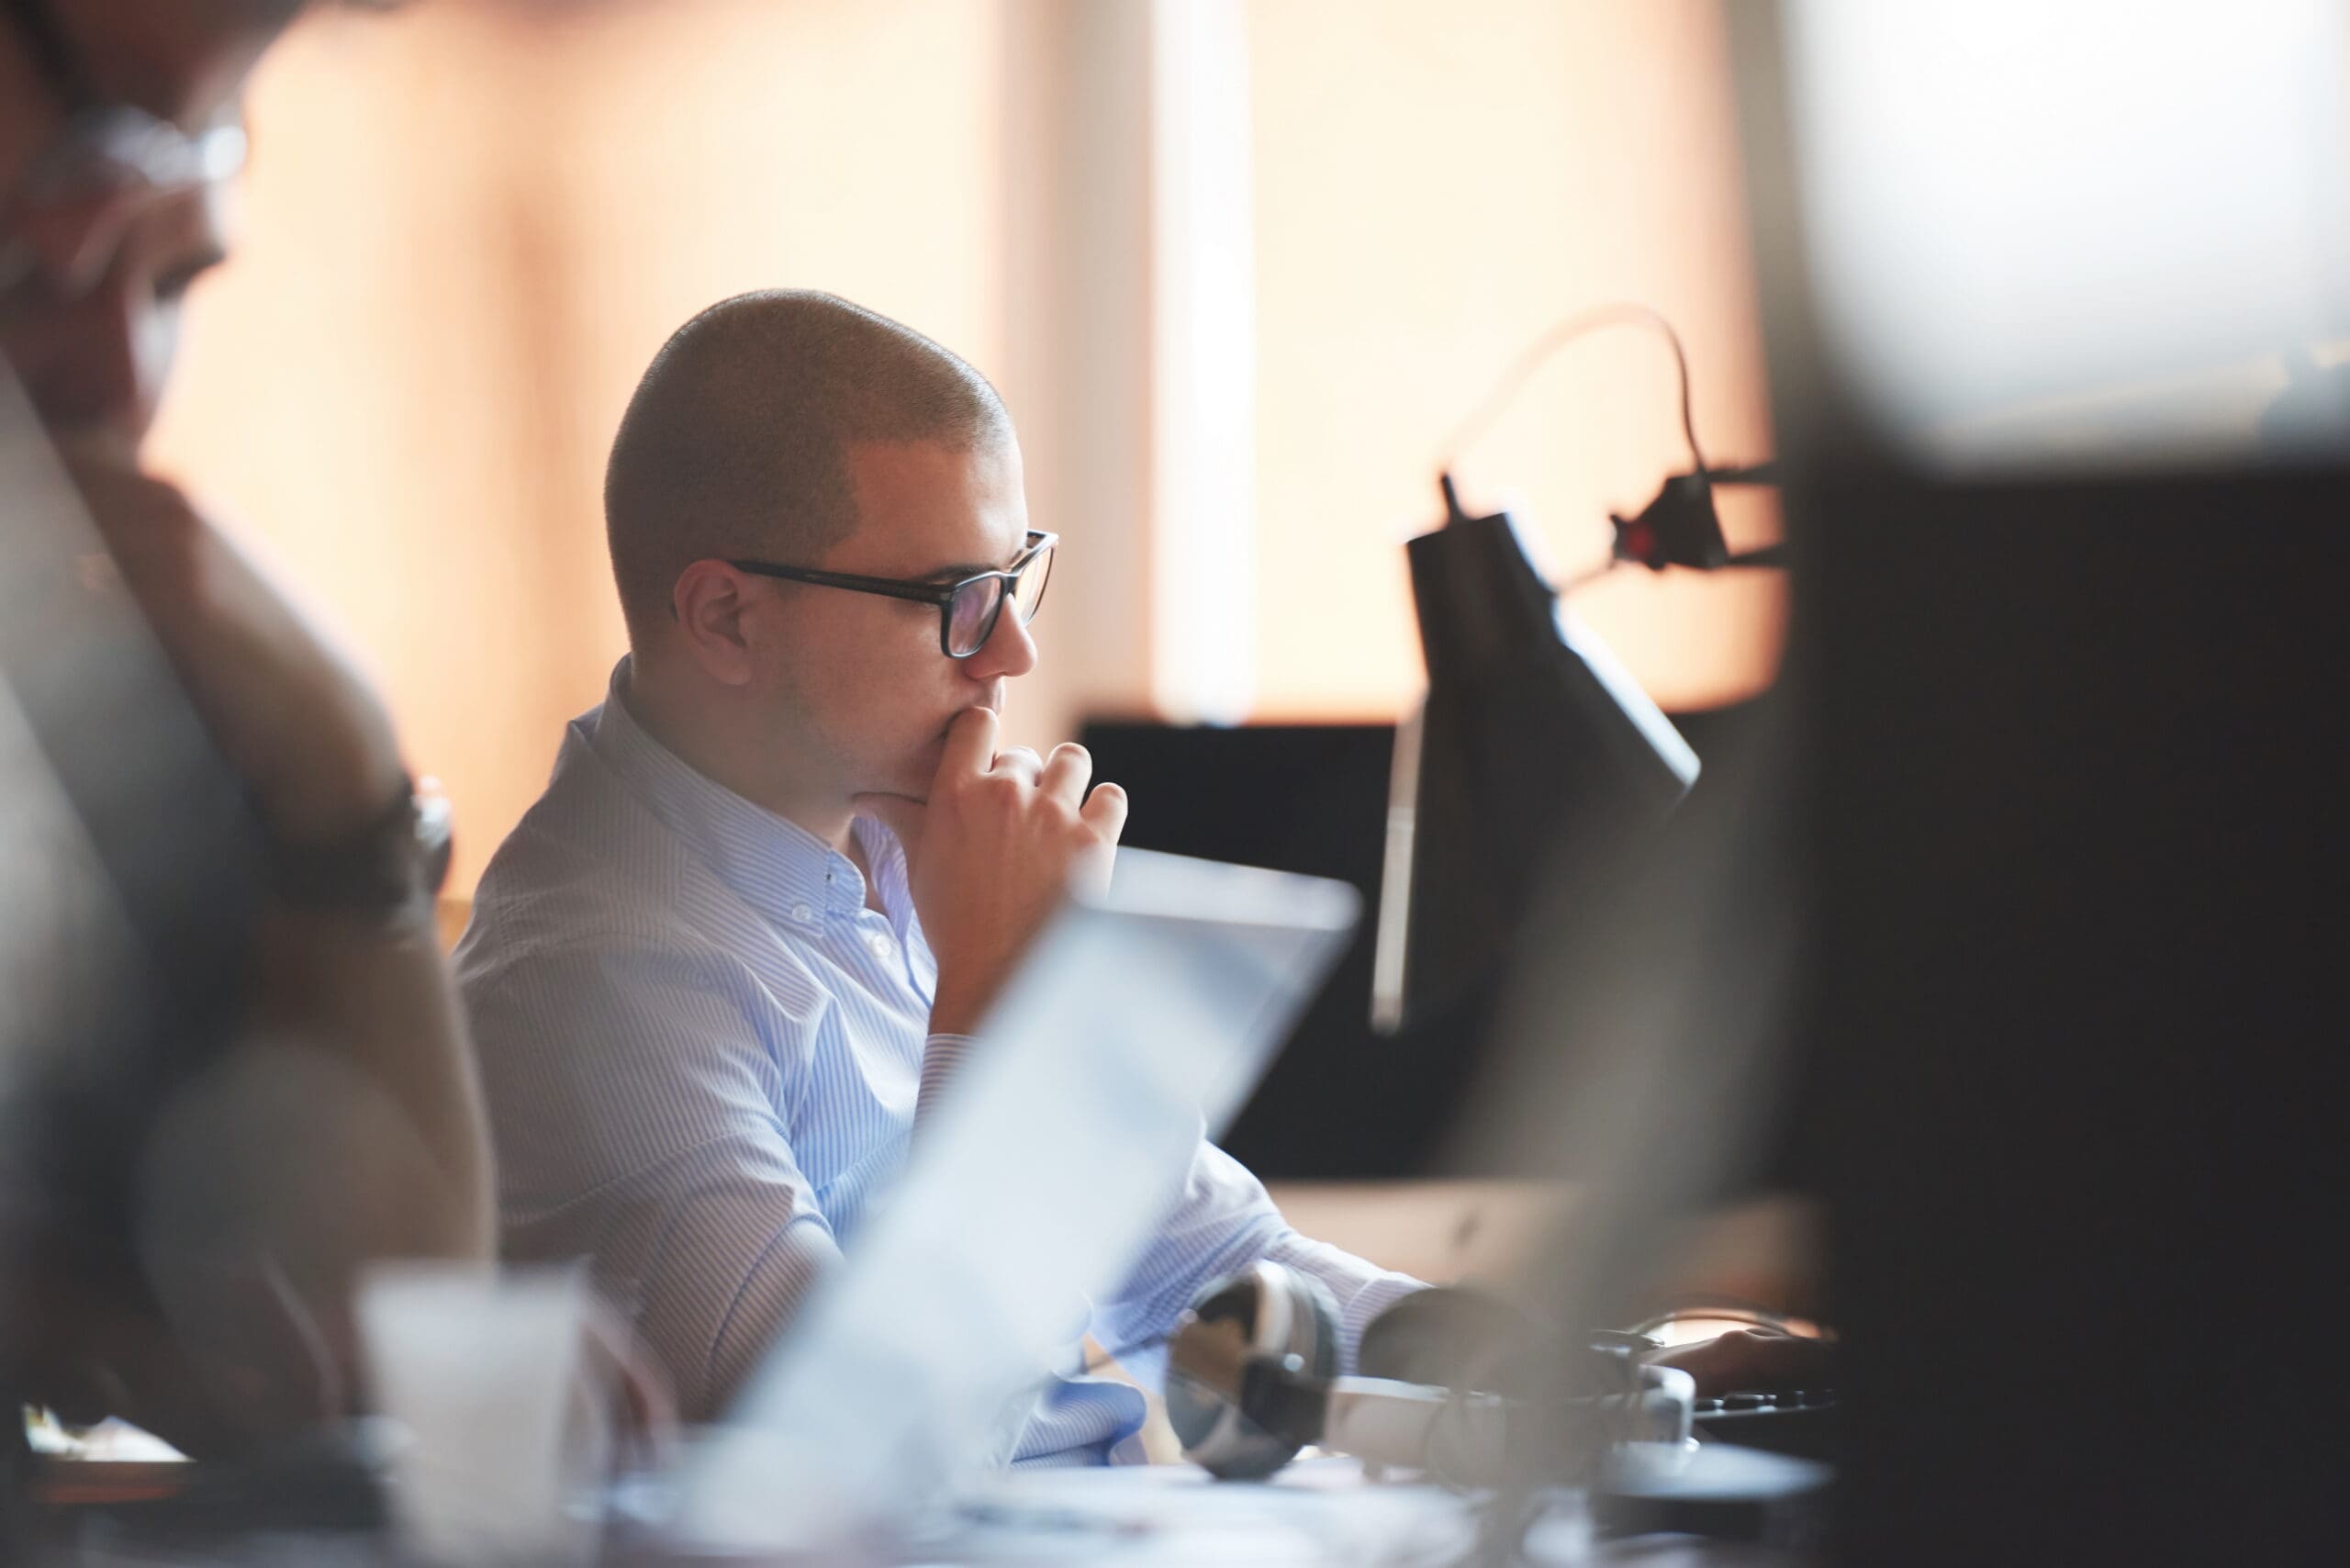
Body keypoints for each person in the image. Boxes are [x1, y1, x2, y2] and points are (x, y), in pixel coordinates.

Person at [455, 289, 1428, 1460]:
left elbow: (1200, 1255)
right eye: (955, 601)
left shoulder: (907, 843)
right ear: (725, 618)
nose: (1012, 650)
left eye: (1014, 577)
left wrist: (1546, 1361)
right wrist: (1000, 1006)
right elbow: (854, 1460)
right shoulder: (589, 985)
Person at [1, 0, 494, 1460]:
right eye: (29, 267)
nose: (119, 383)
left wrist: (343, 782)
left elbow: (375, 1327)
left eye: (177, 283)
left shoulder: (89, 714)